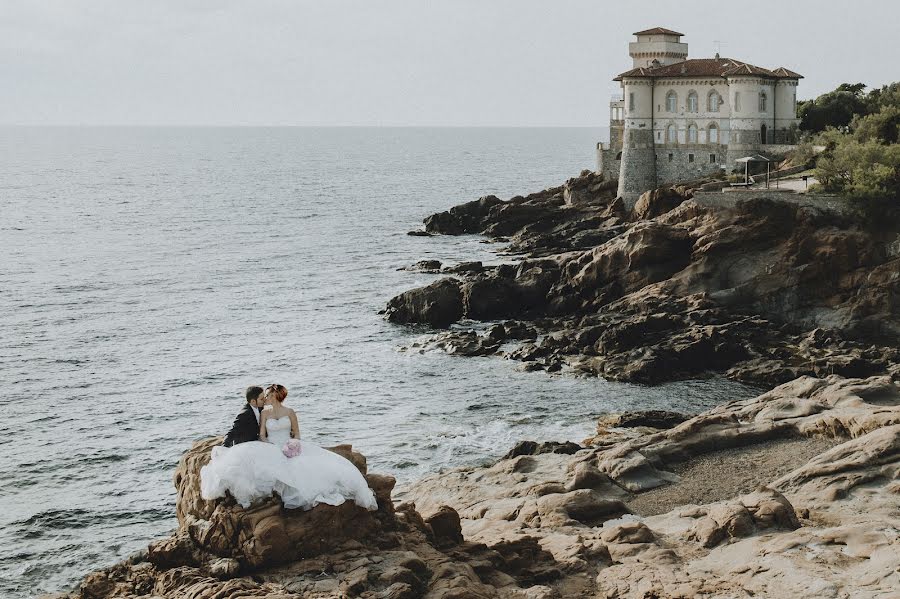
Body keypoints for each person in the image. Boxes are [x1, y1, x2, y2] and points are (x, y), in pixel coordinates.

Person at [200, 384, 377, 511]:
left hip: (288, 444)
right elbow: (261, 434)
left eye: (267, 395)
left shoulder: (289, 412)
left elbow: (297, 433)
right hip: (271, 446)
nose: (266, 398)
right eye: (263, 397)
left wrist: (293, 444)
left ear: (275, 397)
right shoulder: (264, 413)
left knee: (308, 469)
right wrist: (266, 445)